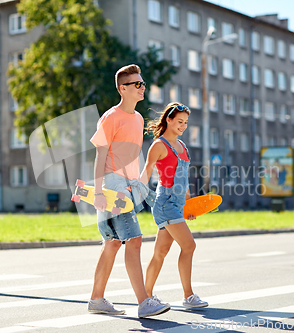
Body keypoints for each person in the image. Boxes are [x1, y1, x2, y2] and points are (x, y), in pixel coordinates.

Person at [87, 64, 170, 318]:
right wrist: (99, 191)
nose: (142, 87)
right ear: (123, 88)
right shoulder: (110, 117)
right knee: (133, 241)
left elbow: (134, 157)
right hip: (112, 186)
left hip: (129, 187)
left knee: (112, 243)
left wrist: (141, 186)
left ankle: (96, 299)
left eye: (143, 83)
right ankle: (144, 302)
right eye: (137, 84)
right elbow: (100, 155)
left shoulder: (137, 119)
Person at [140, 102, 209, 309]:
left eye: (186, 122)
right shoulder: (159, 145)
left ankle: (146, 296)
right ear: (168, 120)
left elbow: (184, 178)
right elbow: (146, 172)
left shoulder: (182, 146)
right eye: (179, 121)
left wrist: (188, 205)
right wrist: (133, 191)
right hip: (165, 204)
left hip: (178, 204)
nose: (183, 126)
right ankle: (188, 296)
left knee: (160, 253)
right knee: (189, 245)